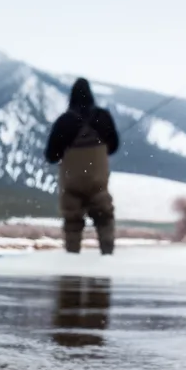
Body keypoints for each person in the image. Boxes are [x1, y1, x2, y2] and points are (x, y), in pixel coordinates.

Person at [44, 77, 118, 254]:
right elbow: (114, 146)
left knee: (72, 222)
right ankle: (107, 256)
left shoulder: (64, 122)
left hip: (72, 183)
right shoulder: (103, 117)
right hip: (98, 182)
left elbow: (51, 156)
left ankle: (72, 260)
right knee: (105, 218)